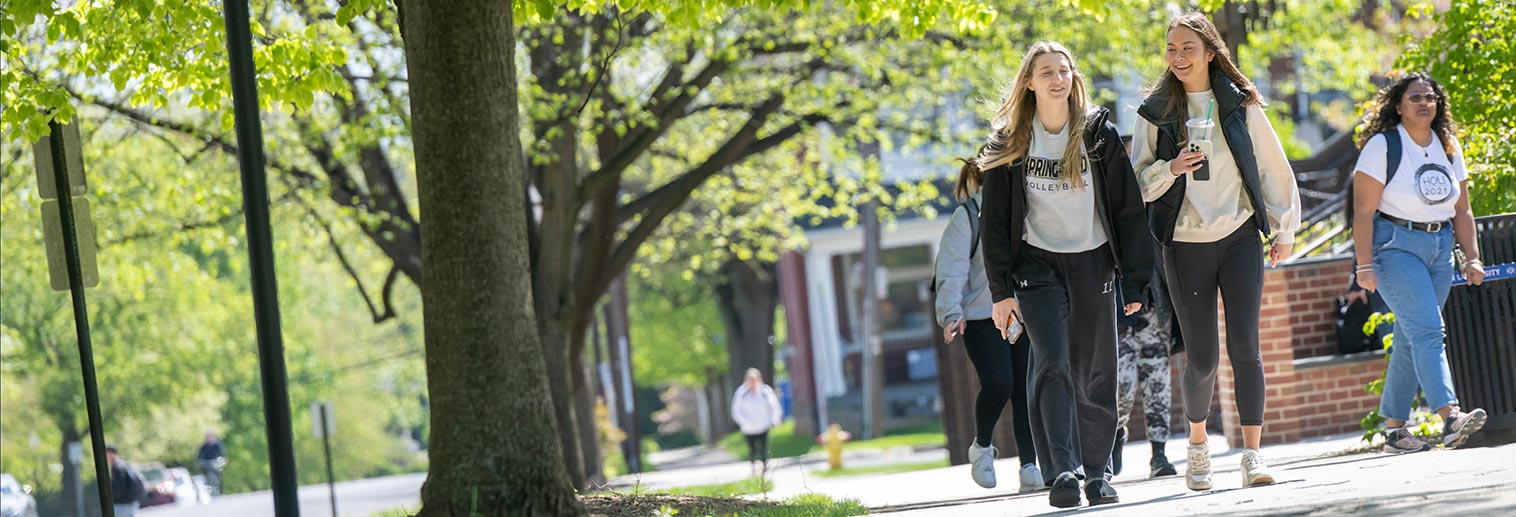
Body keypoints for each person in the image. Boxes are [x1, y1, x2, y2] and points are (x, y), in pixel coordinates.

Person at [1131, 12, 1301, 491]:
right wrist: (1171, 167)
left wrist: (1284, 228)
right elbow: (1138, 182)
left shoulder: (1239, 103)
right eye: (1171, 48)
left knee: (1246, 347)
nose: (1178, 56)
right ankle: (1199, 445)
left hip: (1240, 236)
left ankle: (1252, 455)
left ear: (1210, 52)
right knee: (1202, 359)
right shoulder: (1154, 111)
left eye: (1188, 47)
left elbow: (1271, 167)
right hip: (1185, 243)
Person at [980, 41, 1153, 508]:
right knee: (1052, 362)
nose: (1057, 79)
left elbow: (1128, 209)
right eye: (1046, 72)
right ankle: (1062, 470)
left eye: (1064, 70)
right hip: (1036, 265)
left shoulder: (1097, 134)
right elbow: (993, 222)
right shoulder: (1011, 142)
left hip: (1093, 260)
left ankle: (1097, 473)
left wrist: (1136, 278)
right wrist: (1000, 291)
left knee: (1096, 369)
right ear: (1029, 83)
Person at [1350, 72, 1488, 454]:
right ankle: (1450, 416)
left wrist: (1473, 257)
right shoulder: (1383, 145)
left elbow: (1462, 210)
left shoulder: (1448, 146)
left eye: (1430, 97)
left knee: (1411, 337)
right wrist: (1364, 265)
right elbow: (1363, 212)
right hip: (1395, 246)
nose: (1425, 103)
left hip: (1440, 247)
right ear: (1398, 105)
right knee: (1428, 330)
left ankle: (1395, 432)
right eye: (1415, 97)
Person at [934, 154, 1042, 493]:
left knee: (1026, 389)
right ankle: (981, 446)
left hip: (1023, 314)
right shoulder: (967, 216)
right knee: (999, 382)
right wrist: (951, 313)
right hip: (981, 316)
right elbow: (951, 268)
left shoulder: (1024, 208)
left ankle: (1029, 466)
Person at [1111, 253, 1179, 479]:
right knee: (1122, 384)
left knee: (1158, 382)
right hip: (1117, 305)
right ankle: (1117, 431)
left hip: (1153, 304)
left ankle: (1159, 454)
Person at [730, 368, 783, 476]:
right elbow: (736, 410)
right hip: (748, 427)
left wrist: (775, 419)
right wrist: (743, 422)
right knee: (752, 449)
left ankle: (764, 465)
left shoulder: (765, 391)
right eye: (750, 380)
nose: (752, 382)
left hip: (763, 424)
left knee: (763, 447)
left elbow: (774, 406)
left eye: (754, 380)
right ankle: (753, 466)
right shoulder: (741, 393)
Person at [105, 445, 145, 517]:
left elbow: (119, 489)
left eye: (107, 454)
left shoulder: (118, 468)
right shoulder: (124, 464)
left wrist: (114, 500)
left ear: (111, 454)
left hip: (124, 504)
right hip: (131, 502)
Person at [196, 431, 227, 496]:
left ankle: (221, 490)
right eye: (207, 437)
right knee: (204, 476)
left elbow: (222, 453)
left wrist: (223, 459)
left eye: (209, 437)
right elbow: (200, 455)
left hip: (215, 462)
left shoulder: (217, 444)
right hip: (207, 463)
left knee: (218, 475)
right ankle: (207, 490)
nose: (208, 438)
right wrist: (199, 461)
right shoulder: (204, 446)